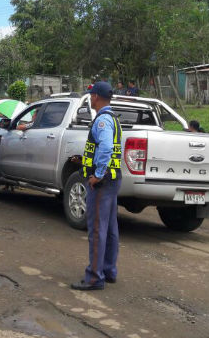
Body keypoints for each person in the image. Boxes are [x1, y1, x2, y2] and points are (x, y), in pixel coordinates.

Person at [71, 81, 123, 291]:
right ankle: (108, 270)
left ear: (96, 97)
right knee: (110, 228)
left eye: (91, 95)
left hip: (102, 182)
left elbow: (106, 148)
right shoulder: (113, 118)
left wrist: (97, 175)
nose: (90, 98)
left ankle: (94, 277)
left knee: (96, 229)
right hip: (113, 179)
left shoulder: (102, 120)